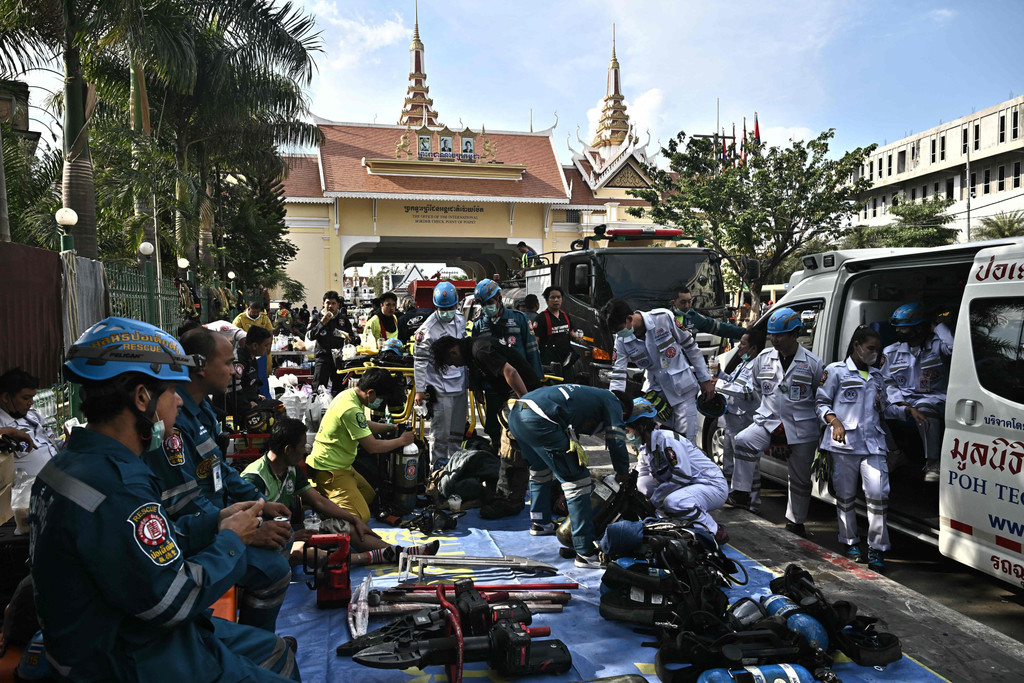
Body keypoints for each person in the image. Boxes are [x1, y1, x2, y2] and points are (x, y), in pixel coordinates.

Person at [30, 317, 300, 681]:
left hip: (127, 635)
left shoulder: (68, 464)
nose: (178, 401)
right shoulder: (116, 485)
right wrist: (231, 540)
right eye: (172, 390)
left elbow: (148, 545)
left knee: (278, 653)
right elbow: (174, 599)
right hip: (130, 659)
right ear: (142, 398)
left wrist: (216, 522)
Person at [144, 328, 294, 632]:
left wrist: (259, 503)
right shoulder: (173, 422)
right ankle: (252, 643)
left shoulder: (203, 410)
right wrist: (244, 531)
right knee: (274, 569)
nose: (234, 371)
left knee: (283, 536)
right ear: (200, 367)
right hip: (194, 535)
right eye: (227, 363)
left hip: (215, 519)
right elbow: (186, 503)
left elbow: (219, 468)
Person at [242, 418, 438, 566]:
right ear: (288, 450)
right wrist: (293, 536)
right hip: (268, 543)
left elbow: (318, 501)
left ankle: (402, 553)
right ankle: (367, 558)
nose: (305, 451)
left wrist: (354, 520)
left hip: (289, 532)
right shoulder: (254, 479)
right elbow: (248, 530)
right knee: (300, 553)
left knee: (348, 527)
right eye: (302, 447)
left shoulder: (290, 468)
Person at [817, 326, 925, 571]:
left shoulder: (877, 377)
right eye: (871, 348)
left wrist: (907, 410)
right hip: (844, 445)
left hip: (873, 444)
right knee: (845, 496)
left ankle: (877, 547)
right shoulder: (835, 371)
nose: (875, 354)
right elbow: (821, 403)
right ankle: (850, 541)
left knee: (878, 494)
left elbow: (886, 408)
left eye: (877, 349)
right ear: (857, 346)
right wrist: (834, 422)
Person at [507, 385, 632, 567]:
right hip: (540, 419)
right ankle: (585, 552)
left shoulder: (590, 395)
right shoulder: (613, 401)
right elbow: (616, 439)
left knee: (540, 469)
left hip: (517, 414)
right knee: (577, 481)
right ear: (624, 411)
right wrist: (622, 472)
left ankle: (540, 522)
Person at [728, 307, 824, 537]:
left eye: (780, 335)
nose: (774, 339)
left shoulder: (813, 363)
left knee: (799, 479)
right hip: (768, 422)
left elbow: (819, 397)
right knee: (742, 441)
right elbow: (759, 390)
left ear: (795, 334)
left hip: (801, 429)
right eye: (772, 335)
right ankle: (741, 492)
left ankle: (796, 521)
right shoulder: (762, 359)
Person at [431, 334, 543, 518]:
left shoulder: (480, 350)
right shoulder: (473, 349)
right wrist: (476, 387)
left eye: (452, 363)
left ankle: (510, 501)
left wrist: (525, 403)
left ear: (453, 352)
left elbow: (511, 373)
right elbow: (477, 369)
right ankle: (512, 492)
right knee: (514, 446)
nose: (456, 367)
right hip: (516, 394)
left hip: (522, 393)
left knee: (511, 447)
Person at [600, 298, 715, 444]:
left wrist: (705, 379)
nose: (619, 334)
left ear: (629, 319)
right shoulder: (621, 341)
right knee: (659, 443)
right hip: (656, 397)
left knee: (686, 443)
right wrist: (615, 405)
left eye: (619, 329)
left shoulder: (663, 318)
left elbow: (691, 347)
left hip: (683, 390)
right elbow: (618, 374)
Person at [306, 368, 414, 522]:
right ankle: (316, 500)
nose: (380, 402)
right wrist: (402, 441)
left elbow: (363, 424)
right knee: (359, 516)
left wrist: (392, 427)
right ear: (370, 393)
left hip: (343, 466)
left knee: (369, 497)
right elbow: (373, 446)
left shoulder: (349, 395)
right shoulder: (350, 409)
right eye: (380, 398)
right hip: (330, 469)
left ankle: (326, 496)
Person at [624, 397, 729, 543]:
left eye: (629, 430)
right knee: (643, 485)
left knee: (673, 502)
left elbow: (682, 475)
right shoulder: (646, 448)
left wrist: (654, 501)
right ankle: (675, 519)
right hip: (690, 485)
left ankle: (714, 531)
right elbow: (641, 475)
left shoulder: (667, 441)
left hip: (711, 485)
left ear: (641, 427)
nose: (628, 434)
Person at [881, 302, 953, 483]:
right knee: (872, 408)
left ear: (919, 328)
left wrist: (937, 326)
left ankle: (932, 462)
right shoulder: (891, 352)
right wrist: (900, 403)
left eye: (904, 327)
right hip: (904, 399)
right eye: (897, 327)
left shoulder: (938, 346)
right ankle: (894, 453)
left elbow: (954, 348)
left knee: (924, 407)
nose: (898, 331)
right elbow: (887, 382)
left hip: (934, 398)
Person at [470, 278, 543, 442]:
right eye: (483, 304)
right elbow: (474, 359)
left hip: (519, 384)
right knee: (494, 427)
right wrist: (476, 386)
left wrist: (537, 382)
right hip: (493, 386)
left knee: (521, 425)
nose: (486, 307)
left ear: (499, 298)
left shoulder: (520, 319)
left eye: (489, 302)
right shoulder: (479, 325)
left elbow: (532, 352)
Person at [413, 282, 468, 469]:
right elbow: (420, 361)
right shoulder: (427, 329)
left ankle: (456, 469)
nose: (447, 312)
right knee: (440, 436)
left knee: (457, 434)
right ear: (436, 307)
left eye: (450, 308)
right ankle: (436, 470)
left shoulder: (460, 319)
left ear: (456, 304)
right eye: (443, 309)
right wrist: (420, 390)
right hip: (440, 387)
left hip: (460, 384)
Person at [713, 331, 765, 512]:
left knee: (747, 464)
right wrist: (720, 375)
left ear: (753, 348)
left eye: (743, 344)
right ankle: (731, 495)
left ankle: (753, 503)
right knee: (729, 462)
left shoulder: (758, 366)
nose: (739, 347)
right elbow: (733, 382)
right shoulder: (743, 363)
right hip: (732, 420)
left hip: (745, 422)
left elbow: (748, 392)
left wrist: (719, 385)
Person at [0, 368, 61, 477]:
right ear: (6, 397)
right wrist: (11, 432)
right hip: (28, 486)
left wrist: (65, 444)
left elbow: (49, 443)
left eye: (32, 397)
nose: (31, 402)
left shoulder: (33, 416)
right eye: (26, 398)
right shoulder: (2, 423)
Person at [309, 291, 350, 395]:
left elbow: (353, 337)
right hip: (322, 357)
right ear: (323, 303)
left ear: (338, 305)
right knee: (318, 389)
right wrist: (322, 323)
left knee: (339, 391)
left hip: (339, 359)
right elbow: (310, 336)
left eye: (333, 303)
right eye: (328, 303)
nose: (330, 306)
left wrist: (349, 339)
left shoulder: (343, 320)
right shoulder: (317, 318)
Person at [670, 286, 745, 341]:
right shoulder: (665, 317)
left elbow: (720, 327)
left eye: (689, 301)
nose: (687, 306)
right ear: (673, 303)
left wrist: (746, 332)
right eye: (683, 302)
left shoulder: (693, 316)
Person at [228, 326, 273, 418]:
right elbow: (233, 390)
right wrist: (248, 404)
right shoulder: (238, 361)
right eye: (266, 345)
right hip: (238, 409)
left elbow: (249, 383)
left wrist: (256, 396)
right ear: (255, 346)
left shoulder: (252, 358)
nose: (268, 348)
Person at [534, 286, 577, 381]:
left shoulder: (565, 316)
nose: (556, 300)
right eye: (552, 297)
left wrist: (579, 338)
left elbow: (571, 333)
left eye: (559, 297)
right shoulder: (541, 318)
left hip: (566, 362)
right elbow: (536, 340)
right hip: (549, 363)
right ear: (547, 300)